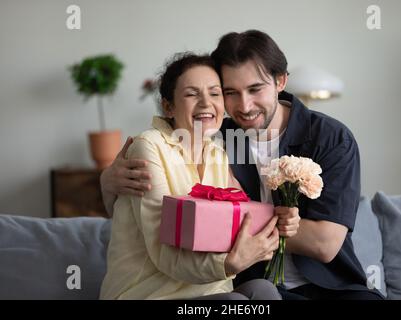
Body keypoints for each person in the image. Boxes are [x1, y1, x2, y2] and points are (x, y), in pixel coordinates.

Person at [101, 30, 384, 300]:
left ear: (281, 81)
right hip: (252, 282)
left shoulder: (329, 138)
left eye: (255, 89)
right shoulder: (215, 136)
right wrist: (107, 182)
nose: (245, 106)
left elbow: (324, 244)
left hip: (331, 287)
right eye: (230, 92)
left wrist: (235, 227)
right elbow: (139, 209)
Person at [100, 53, 287, 300]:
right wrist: (228, 265)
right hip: (149, 295)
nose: (206, 103)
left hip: (208, 290)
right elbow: (163, 251)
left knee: (263, 290)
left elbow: (238, 220)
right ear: (168, 106)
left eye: (214, 93)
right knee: (233, 302)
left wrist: (280, 221)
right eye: (191, 94)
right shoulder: (148, 147)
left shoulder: (217, 153)